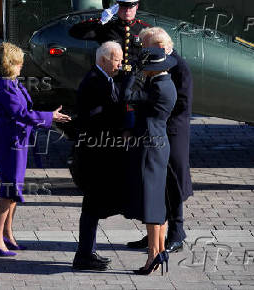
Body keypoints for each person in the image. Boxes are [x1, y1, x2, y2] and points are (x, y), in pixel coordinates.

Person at [0, 42, 71, 256]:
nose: (21, 67)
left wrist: (47, 115)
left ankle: (7, 234)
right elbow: (22, 114)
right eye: (18, 63)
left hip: (17, 141)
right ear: (9, 65)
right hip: (10, 143)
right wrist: (49, 116)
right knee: (8, 192)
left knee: (13, 191)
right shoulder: (5, 87)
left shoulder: (11, 83)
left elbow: (26, 110)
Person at [126, 27, 194, 253]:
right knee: (157, 186)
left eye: (147, 48)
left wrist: (157, 115)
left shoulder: (178, 66)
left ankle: (176, 232)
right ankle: (155, 235)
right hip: (157, 129)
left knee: (173, 183)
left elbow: (182, 102)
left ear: (161, 47)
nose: (144, 53)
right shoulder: (155, 63)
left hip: (171, 131)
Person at [118, 47, 177, 275]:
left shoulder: (159, 88)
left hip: (150, 147)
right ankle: (159, 250)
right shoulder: (164, 83)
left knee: (152, 203)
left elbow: (127, 96)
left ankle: (153, 256)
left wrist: (133, 71)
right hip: (158, 144)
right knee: (157, 201)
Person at [72, 41, 124, 271]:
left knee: (92, 208)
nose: (121, 63)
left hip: (98, 153)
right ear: (103, 60)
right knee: (91, 207)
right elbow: (93, 117)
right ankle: (84, 255)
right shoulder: (95, 82)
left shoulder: (105, 78)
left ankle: (87, 252)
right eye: (117, 59)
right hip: (93, 156)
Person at [69, 0, 150, 130]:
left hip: (135, 85)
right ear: (117, 7)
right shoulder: (107, 27)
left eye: (131, 7)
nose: (127, 11)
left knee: (136, 128)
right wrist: (100, 21)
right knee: (111, 125)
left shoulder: (145, 29)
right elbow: (75, 32)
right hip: (112, 84)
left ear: (137, 6)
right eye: (123, 7)